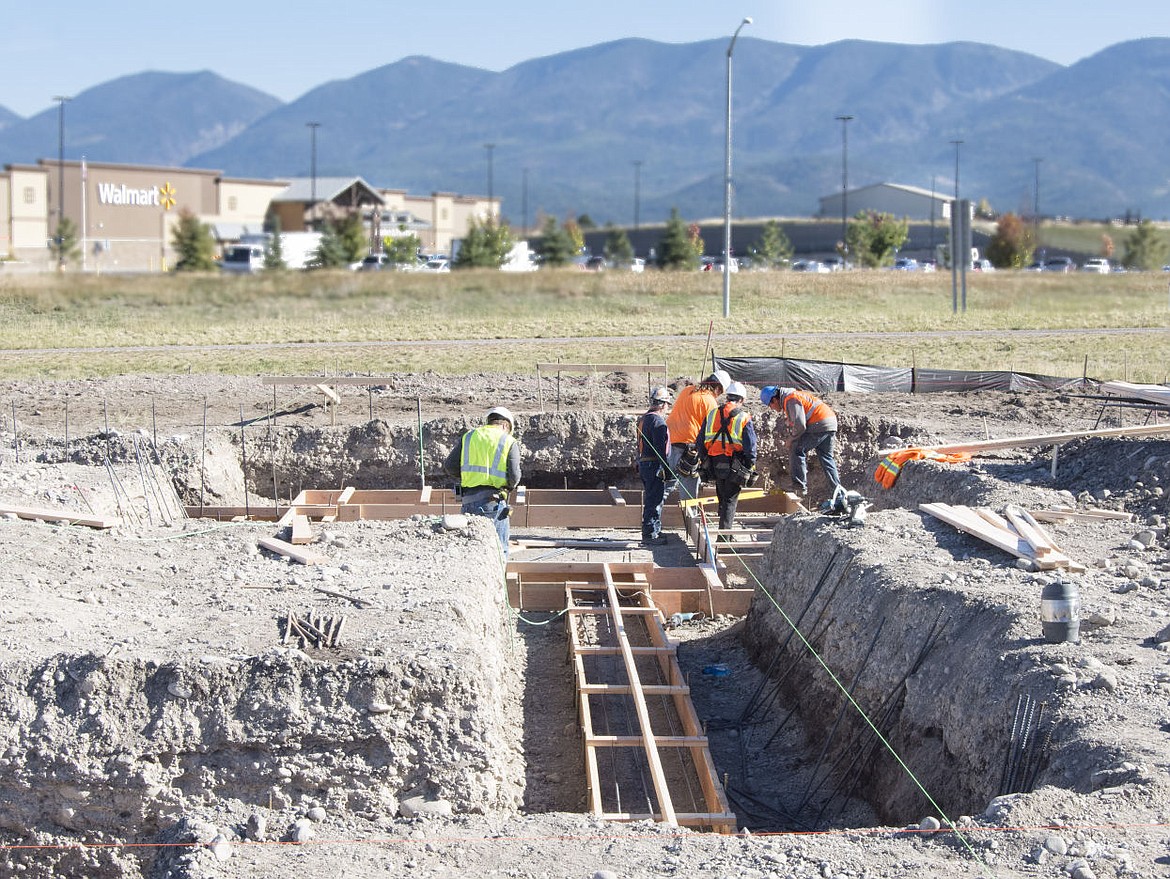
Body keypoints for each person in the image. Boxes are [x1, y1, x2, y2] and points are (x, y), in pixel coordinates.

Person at [442, 406, 521, 559]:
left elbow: (450, 466)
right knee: (498, 551)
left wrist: (467, 477)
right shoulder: (508, 440)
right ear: (505, 425)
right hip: (493, 504)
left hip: (467, 502)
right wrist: (508, 487)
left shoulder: (469, 436)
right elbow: (514, 476)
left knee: (473, 550)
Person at [760, 385, 842, 500]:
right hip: (829, 422)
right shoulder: (792, 396)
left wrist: (791, 439)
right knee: (826, 458)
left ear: (775, 399)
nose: (772, 408)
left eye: (770, 405)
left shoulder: (790, 399)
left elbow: (800, 426)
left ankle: (799, 486)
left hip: (820, 424)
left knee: (796, 449)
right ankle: (839, 493)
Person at [697, 381, 757, 534]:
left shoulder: (712, 414)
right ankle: (724, 538)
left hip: (715, 462)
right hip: (735, 463)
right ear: (741, 400)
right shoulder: (744, 417)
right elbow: (750, 446)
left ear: (727, 397)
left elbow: (700, 441)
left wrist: (705, 459)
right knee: (730, 499)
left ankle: (724, 532)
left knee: (722, 496)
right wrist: (750, 464)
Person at [665, 369, 730, 502]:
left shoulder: (687, 390)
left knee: (666, 487)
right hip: (688, 452)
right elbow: (710, 433)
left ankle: (652, 518)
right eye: (720, 392)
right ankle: (690, 521)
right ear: (718, 387)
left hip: (669, 445)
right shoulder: (710, 402)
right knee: (689, 497)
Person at [636, 386, 674, 545]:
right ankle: (651, 534)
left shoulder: (643, 419)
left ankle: (654, 530)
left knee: (653, 497)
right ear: (664, 404)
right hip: (653, 464)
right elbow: (661, 448)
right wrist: (667, 469)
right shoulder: (658, 421)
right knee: (654, 499)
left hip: (644, 463)